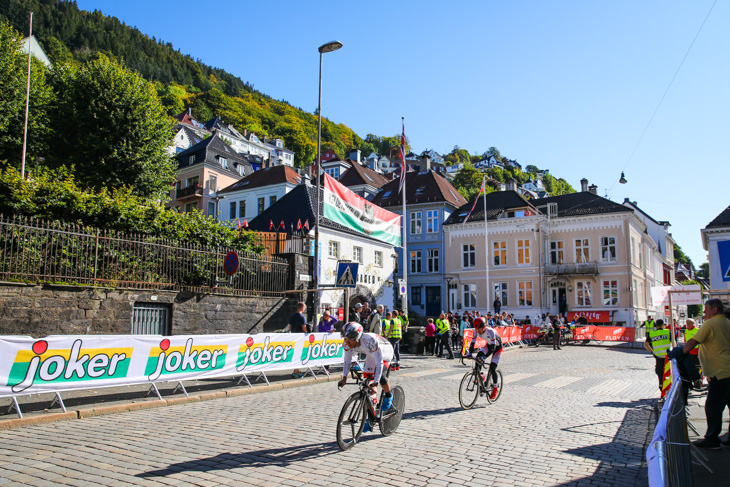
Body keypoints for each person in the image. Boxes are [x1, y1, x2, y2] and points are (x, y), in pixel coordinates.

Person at [682, 299, 730, 449]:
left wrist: (679, 352)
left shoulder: (710, 324)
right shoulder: (727, 322)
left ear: (715, 309)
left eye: (706, 310)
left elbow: (692, 342)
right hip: (726, 370)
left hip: (720, 373)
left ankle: (712, 439)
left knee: (713, 407)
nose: (704, 313)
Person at [337, 322, 395, 432]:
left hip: (385, 351)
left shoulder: (369, 341)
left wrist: (376, 383)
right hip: (370, 354)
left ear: (357, 337)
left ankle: (388, 395)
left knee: (380, 375)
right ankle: (370, 418)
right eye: (345, 339)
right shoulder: (347, 343)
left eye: (349, 340)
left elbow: (379, 363)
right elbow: (347, 360)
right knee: (366, 387)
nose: (347, 342)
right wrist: (344, 378)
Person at [466, 316, 504, 400]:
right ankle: (480, 375)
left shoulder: (490, 332)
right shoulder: (476, 331)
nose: (478, 331)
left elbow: (493, 348)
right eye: (476, 329)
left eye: (479, 329)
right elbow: (472, 344)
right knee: (479, 355)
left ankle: (495, 388)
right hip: (488, 345)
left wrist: (485, 357)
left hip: (497, 348)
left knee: (493, 368)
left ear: (484, 327)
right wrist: (470, 353)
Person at [644, 319, 670, 392]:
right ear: (663, 325)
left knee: (659, 371)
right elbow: (674, 343)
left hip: (658, 356)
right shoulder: (667, 332)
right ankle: (668, 386)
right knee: (668, 371)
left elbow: (646, 345)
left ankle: (661, 385)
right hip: (667, 356)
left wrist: (652, 352)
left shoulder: (652, 334)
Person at [288, 302, 308, 378]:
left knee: (295, 353)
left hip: (293, 336)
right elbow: (304, 328)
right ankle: (295, 372)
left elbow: (290, 327)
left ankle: (297, 370)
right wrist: (307, 331)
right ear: (302, 308)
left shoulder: (292, 316)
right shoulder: (302, 317)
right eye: (304, 308)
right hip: (300, 337)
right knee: (298, 354)